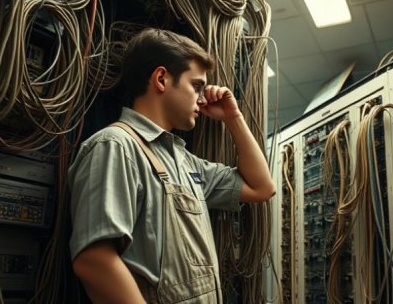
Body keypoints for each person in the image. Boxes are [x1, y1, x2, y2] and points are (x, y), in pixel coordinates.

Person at [68, 28, 275, 303]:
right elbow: (94, 261)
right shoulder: (115, 146)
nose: (202, 99)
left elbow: (262, 188)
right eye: (197, 86)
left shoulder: (184, 160)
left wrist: (233, 117)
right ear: (162, 79)